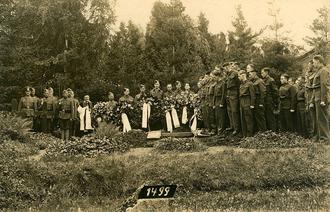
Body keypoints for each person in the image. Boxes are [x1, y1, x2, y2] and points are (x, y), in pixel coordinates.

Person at [311, 55, 330, 142]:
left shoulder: (324, 71)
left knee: (322, 119)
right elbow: (315, 87)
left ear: (318, 61)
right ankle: (320, 138)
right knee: (318, 119)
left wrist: (323, 100)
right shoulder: (318, 71)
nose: (313, 64)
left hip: (321, 98)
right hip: (317, 97)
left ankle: (325, 139)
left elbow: (324, 85)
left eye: (314, 62)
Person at [247, 64, 267, 132]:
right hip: (255, 100)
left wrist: (261, 103)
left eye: (251, 74)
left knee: (261, 117)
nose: (250, 75)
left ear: (254, 73)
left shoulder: (260, 81)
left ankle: (263, 131)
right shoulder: (253, 81)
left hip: (259, 101)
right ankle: (260, 131)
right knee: (256, 117)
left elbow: (263, 92)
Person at [238, 70, 255, 137]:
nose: (238, 78)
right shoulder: (241, 84)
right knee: (243, 120)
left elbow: (252, 95)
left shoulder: (249, 83)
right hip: (242, 103)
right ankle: (244, 135)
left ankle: (249, 135)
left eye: (239, 76)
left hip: (247, 102)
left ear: (243, 75)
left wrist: (252, 104)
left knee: (249, 120)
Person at [225, 62, 240, 135]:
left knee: (234, 111)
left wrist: (237, 94)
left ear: (230, 66)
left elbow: (238, 84)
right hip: (229, 93)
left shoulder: (235, 73)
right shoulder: (228, 74)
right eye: (225, 68)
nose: (226, 69)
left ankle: (236, 128)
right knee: (230, 111)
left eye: (227, 67)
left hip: (234, 93)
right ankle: (232, 126)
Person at [213, 67, 226, 135]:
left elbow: (224, 94)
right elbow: (214, 95)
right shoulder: (216, 84)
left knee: (221, 117)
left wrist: (222, 103)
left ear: (218, 76)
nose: (214, 79)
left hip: (220, 101)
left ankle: (221, 131)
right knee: (217, 117)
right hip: (216, 101)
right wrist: (214, 103)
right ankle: (218, 131)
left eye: (215, 77)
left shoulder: (222, 83)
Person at [305, 61, 316, 138]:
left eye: (309, 65)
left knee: (314, 117)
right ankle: (311, 134)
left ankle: (315, 134)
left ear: (313, 65)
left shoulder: (315, 73)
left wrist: (309, 87)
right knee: (310, 116)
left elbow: (315, 86)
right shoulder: (307, 73)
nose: (308, 67)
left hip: (313, 96)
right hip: (308, 96)